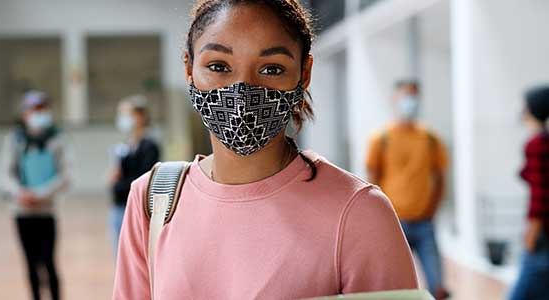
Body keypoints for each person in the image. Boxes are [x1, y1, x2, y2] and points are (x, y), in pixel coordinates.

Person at [113, 1, 418, 299]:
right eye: (218, 66)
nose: (242, 90)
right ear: (189, 69)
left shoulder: (359, 214)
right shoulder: (154, 201)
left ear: (304, 73)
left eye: (271, 69)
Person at [365, 80, 449, 299]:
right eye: (405, 96)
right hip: (395, 224)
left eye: (413, 97)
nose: (409, 102)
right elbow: (372, 182)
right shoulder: (381, 138)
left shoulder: (431, 139)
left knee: (437, 286)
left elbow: (440, 178)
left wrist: (431, 209)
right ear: (395, 99)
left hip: (424, 224)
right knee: (393, 287)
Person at [0, 90, 68, 300]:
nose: (37, 114)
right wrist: (19, 192)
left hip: (46, 211)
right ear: (24, 113)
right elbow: (6, 173)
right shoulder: (15, 140)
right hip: (22, 211)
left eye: (41, 109)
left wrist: (40, 194)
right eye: (33, 110)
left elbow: (66, 175)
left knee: (48, 261)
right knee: (30, 262)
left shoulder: (57, 140)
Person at [509, 85, 549, 300]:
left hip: (541, 229)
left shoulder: (536, 143)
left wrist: (532, 228)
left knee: (520, 294)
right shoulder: (542, 141)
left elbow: (540, 192)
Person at [109, 96, 160, 255]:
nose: (123, 118)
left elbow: (143, 178)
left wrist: (118, 182)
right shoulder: (126, 145)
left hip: (134, 206)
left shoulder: (149, 146)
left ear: (140, 116)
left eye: (127, 114)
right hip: (119, 205)